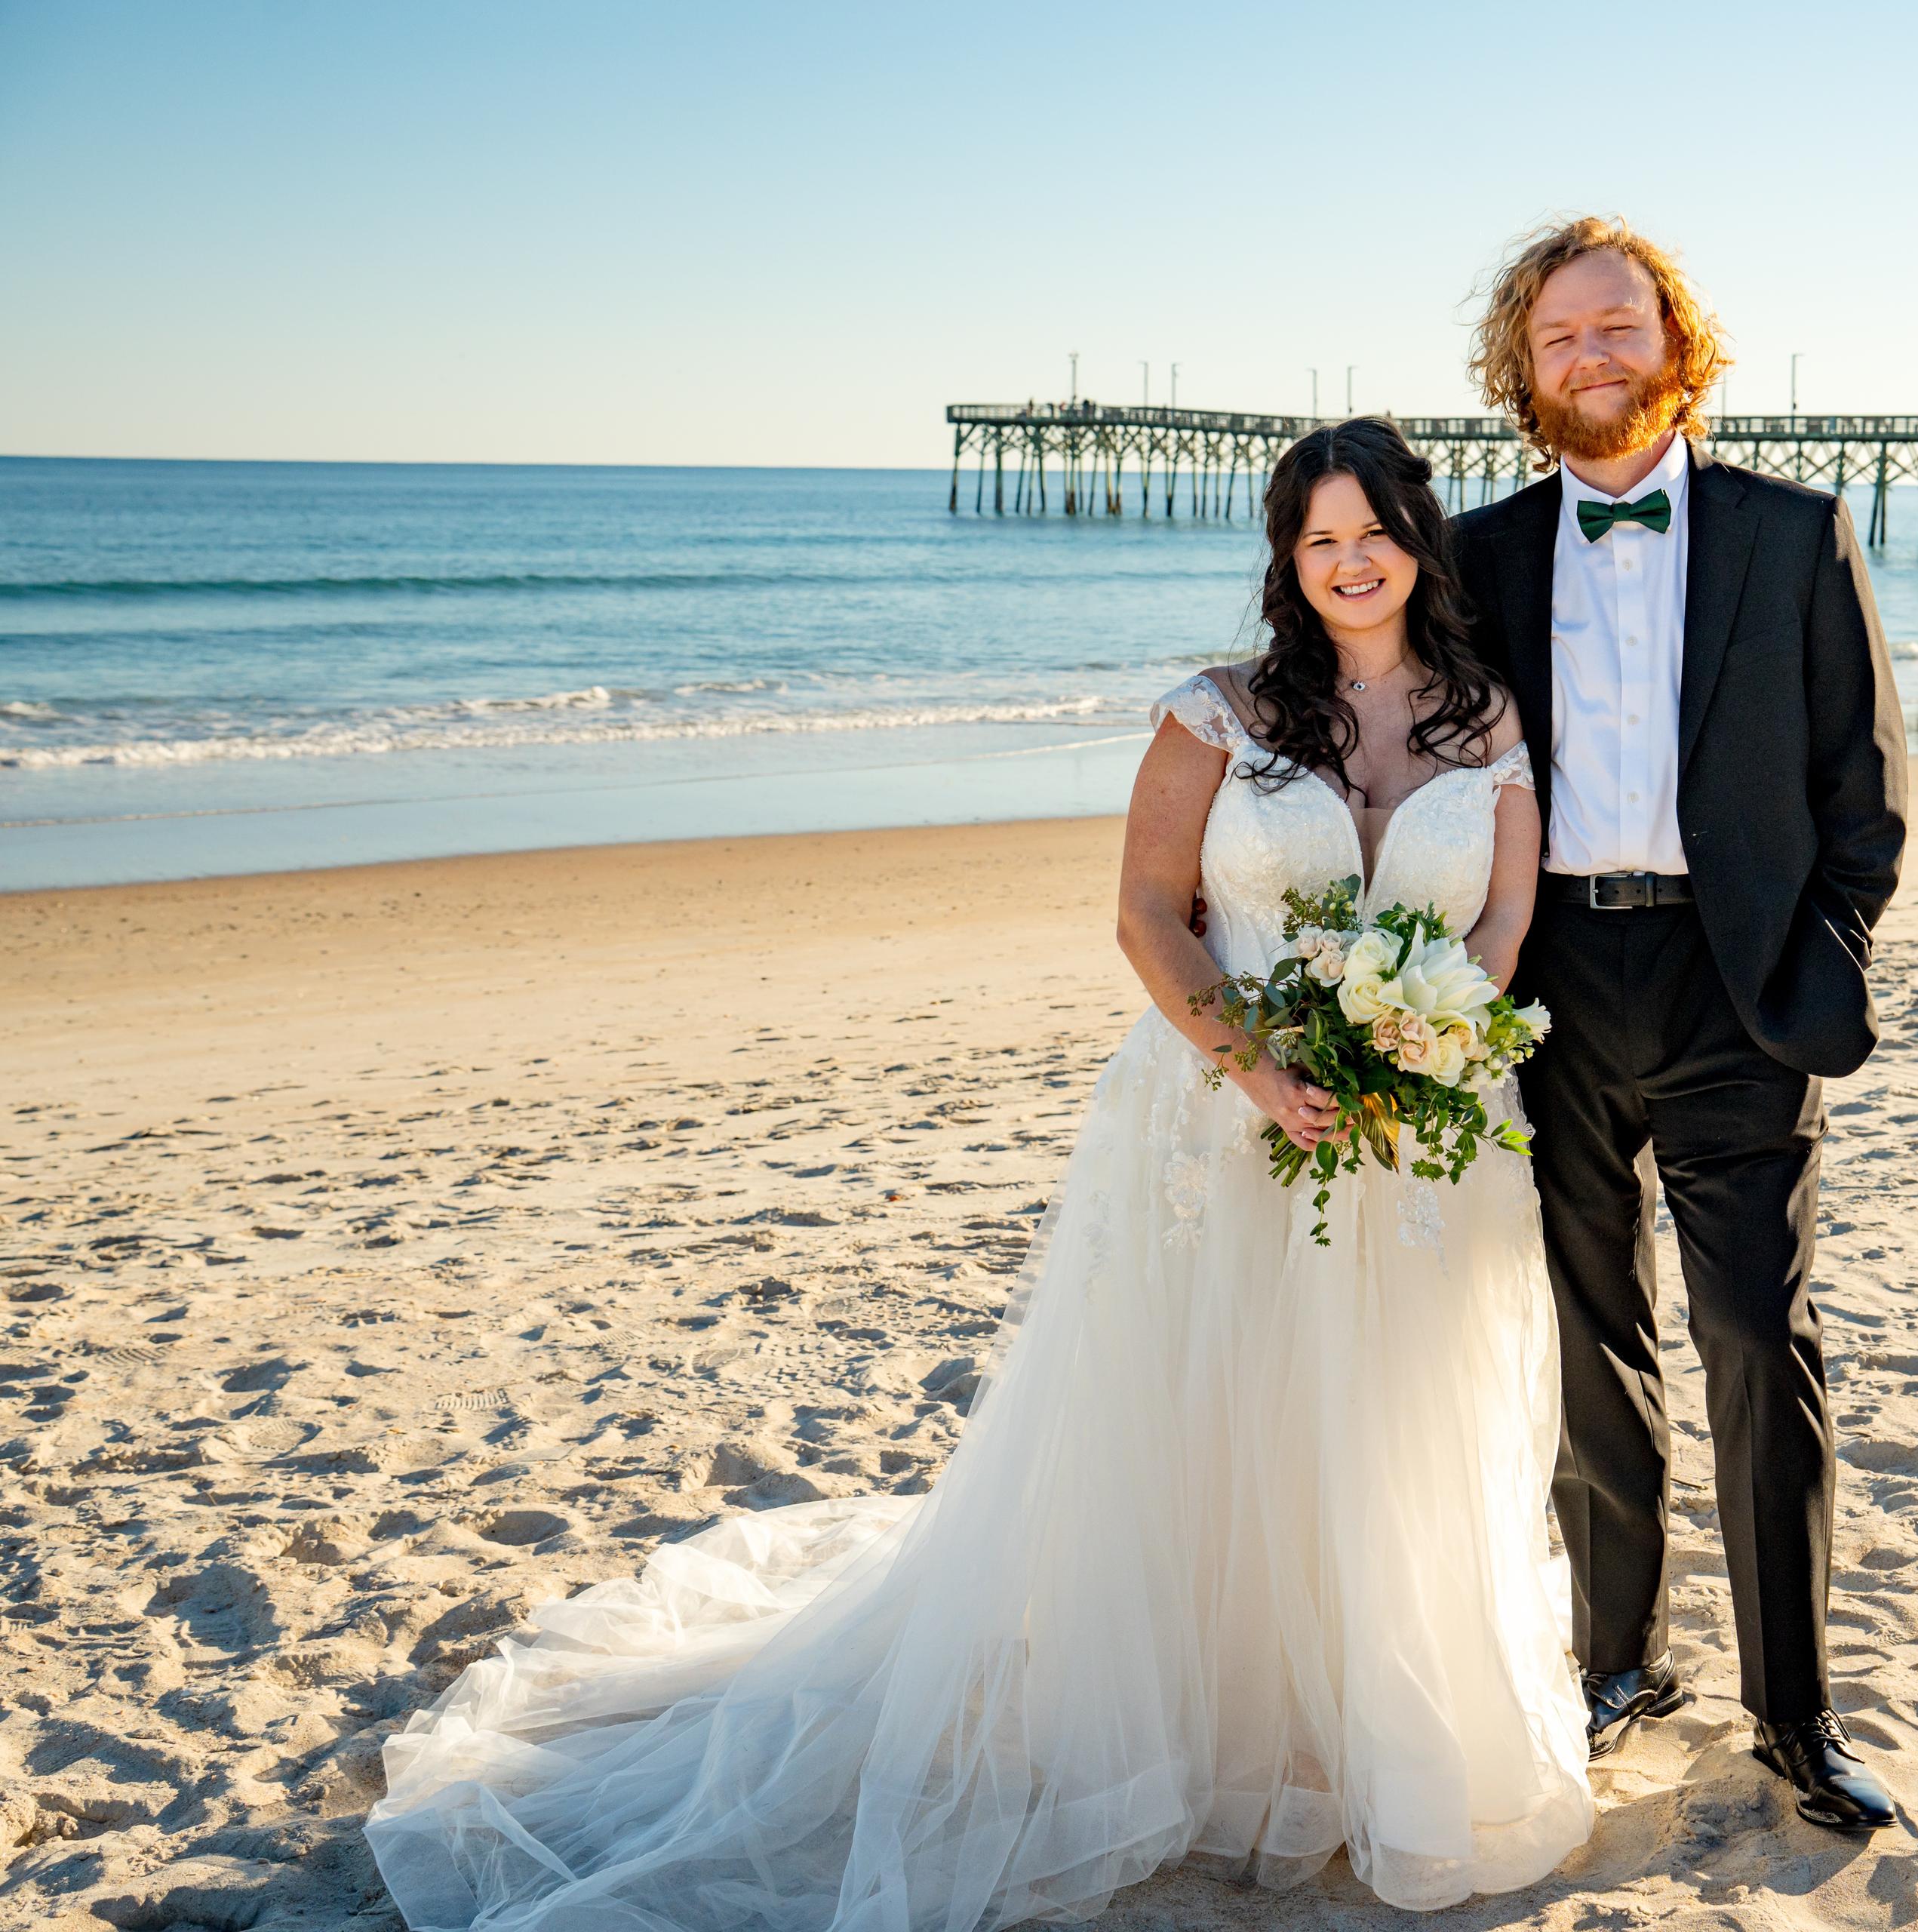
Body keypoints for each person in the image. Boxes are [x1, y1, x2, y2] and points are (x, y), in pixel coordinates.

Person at [365, 419, 1591, 1929]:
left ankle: (1372, 1733)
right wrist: (1257, 1065)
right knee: (1214, 1415)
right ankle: (1214, 1734)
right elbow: (1151, 912)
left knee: (1392, 1422)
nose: (1351, 559)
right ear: (1287, 554)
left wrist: (1416, 1060)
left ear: (1419, 538)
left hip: (1420, 1136)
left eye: (1376, 530)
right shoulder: (1221, 713)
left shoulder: (1487, 720)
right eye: (1319, 535)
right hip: (1225, 1121)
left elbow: (1502, 929)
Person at [1449, 217, 1907, 1832]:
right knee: (1591, 1342)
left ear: (1675, 341)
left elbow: (1866, 790)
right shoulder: (1480, 554)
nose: (1592, 354)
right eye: (1560, 334)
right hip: (1550, 982)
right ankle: (1615, 1658)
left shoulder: (1796, 534)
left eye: (1618, 325)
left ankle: (1794, 1709)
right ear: (1524, 369)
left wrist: (1817, 958)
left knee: (1754, 1343)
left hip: (1739, 989)